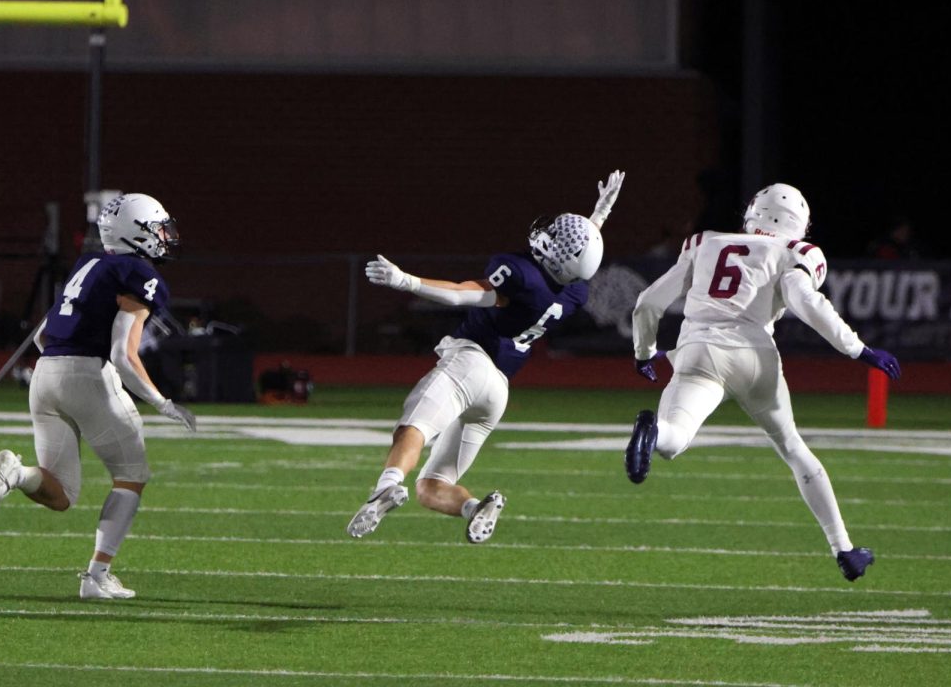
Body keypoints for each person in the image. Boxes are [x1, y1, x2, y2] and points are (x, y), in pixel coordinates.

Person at [626, 183, 901, 582]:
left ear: (753, 213)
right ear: (799, 223)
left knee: (674, 439)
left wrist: (644, 352)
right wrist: (858, 349)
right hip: (756, 356)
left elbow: (648, 302)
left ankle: (654, 431)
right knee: (792, 446)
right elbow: (806, 302)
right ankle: (844, 549)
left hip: (698, 349)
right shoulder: (797, 252)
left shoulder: (705, 242)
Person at [349, 171, 625, 544]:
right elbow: (578, 255)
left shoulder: (521, 276)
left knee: (413, 427)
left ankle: (386, 486)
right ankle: (474, 507)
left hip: (471, 361)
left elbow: (464, 294)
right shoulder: (575, 292)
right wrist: (599, 214)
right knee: (433, 485)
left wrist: (406, 281)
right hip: (497, 392)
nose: (550, 235)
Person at [0, 193, 196, 600]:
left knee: (60, 495)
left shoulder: (88, 264)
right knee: (132, 476)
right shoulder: (138, 275)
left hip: (45, 375)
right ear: (138, 233)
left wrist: (66, 372)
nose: (166, 236)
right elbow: (122, 355)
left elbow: (43, 335)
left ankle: (14, 473)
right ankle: (96, 576)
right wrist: (163, 403)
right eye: (159, 228)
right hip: (87, 374)